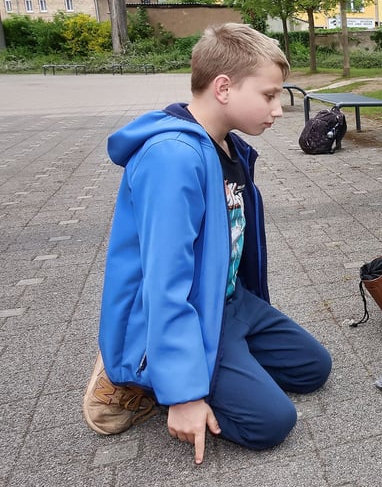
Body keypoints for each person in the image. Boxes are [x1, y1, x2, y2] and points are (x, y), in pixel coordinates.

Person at [83, 23, 333, 464]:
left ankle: (208, 364)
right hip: (190, 312)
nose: (278, 110)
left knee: (313, 368)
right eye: (269, 95)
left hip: (230, 302)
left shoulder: (228, 147)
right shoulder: (172, 158)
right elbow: (165, 283)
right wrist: (184, 395)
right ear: (223, 88)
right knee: (272, 422)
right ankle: (138, 367)